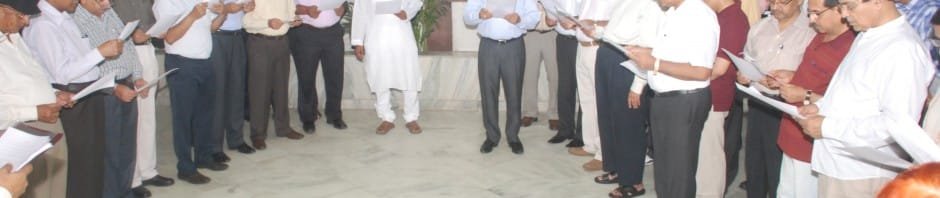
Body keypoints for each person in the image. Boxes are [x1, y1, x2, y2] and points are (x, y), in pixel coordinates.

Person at [796, 0, 935, 196]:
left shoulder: (902, 49)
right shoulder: (868, 33)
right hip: (839, 163)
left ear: (878, 2)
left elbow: (897, 125)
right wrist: (821, 106)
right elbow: (855, 91)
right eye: (841, 7)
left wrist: (827, 127)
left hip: (860, 172)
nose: (844, 14)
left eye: (850, 7)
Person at [23, 0, 123, 196]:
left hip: (89, 93)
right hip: (70, 98)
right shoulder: (42, 25)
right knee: (79, 164)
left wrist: (100, 56)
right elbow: (62, 73)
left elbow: (81, 59)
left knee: (93, 161)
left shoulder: (66, 19)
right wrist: (99, 53)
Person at [624, 0, 720, 195]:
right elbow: (673, 54)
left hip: (684, 101)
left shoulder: (700, 16)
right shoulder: (674, 12)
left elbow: (702, 71)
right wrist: (646, 53)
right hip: (664, 99)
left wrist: (654, 63)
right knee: (665, 168)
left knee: (679, 172)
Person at [772, 0, 853, 196]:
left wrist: (804, 94)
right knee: (786, 191)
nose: (812, 20)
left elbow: (844, 102)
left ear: (839, 10)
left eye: (817, 13)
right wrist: (792, 76)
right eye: (809, 13)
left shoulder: (851, 46)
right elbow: (813, 74)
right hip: (792, 128)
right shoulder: (821, 35)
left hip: (813, 138)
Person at [72, 0, 152, 196]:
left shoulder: (109, 13)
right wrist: (114, 87)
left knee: (126, 147)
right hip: (104, 91)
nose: (106, 3)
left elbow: (129, 46)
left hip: (127, 84)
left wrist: (137, 76)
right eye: (100, 0)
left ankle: (125, 191)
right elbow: (83, 63)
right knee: (109, 151)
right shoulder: (76, 20)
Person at [737, 0, 815, 196]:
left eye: (782, 2)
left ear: (799, 2)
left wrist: (791, 78)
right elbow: (747, 58)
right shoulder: (759, 28)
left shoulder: (811, 31)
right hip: (758, 101)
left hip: (787, 106)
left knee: (778, 166)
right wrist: (743, 74)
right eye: (772, 1)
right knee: (755, 161)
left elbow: (814, 75)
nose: (775, 6)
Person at [592, 0, 661, 196]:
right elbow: (616, 30)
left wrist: (638, 84)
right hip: (608, 52)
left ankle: (633, 181)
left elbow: (649, 48)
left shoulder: (652, 5)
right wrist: (597, 31)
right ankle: (616, 169)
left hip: (628, 60)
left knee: (628, 123)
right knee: (608, 118)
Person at [154, 0, 227, 184]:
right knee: (183, 118)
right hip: (181, 63)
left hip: (205, 61)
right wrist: (192, 16)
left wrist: (222, 13)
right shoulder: (166, 3)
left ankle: (204, 156)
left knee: (205, 114)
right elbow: (169, 37)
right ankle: (185, 167)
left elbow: (211, 27)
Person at [110, 0, 176, 196]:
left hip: (148, 49)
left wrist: (158, 31)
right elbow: (121, 30)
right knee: (135, 119)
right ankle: (132, 178)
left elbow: (151, 24)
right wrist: (143, 34)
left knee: (148, 117)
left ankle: (148, 170)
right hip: (128, 53)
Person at [464, 0, 539, 154]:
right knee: (488, 92)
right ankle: (491, 136)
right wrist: (478, 14)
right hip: (488, 46)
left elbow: (534, 17)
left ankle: (513, 136)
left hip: (513, 46)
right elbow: (467, 17)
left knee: (514, 92)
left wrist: (519, 19)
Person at [695, 0, 749, 197]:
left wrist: (686, 77)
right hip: (704, 92)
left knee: (710, 156)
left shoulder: (734, 19)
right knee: (702, 154)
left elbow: (719, 68)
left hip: (715, 95)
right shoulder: (719, 16)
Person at [351, 0, 424, 134]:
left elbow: (416, 2)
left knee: (409, 75)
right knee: (380, 77)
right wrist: (358, 42)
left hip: (402, 37)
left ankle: (411, 117)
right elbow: (360, 13)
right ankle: (386, 118)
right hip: (376, 38)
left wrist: (407, 13)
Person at [244, 0, 304, 150]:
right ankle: (257, 134)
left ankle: (283, 128)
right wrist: (267, 23)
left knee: (281, 87)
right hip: (260, 42)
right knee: (259, 90)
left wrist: (293, 21)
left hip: (282, 42)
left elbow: (290, 12)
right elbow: (246, 22)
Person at [208, 0, 256, 168]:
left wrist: (248, 6)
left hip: (237, 36)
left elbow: (246, 5)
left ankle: (236, 139)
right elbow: (209, 8)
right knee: (218, 94)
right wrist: (228, 8)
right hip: (217, 37)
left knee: (237, 91)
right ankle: (214, 146)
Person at [290, 0, 348, 134]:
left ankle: (334, 115)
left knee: (335, 76)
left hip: (333, 32)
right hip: (306, 33)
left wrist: (342, 8)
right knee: (306, 77)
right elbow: (287, 6)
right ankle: (308, 117)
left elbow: (344, 3)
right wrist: (306, 10)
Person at [545, 0, 586, 153]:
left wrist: (574, 21)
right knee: (564, 86)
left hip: (581, 42)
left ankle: (582, 135)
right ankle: (565, 129)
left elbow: (592, 15)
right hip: (562, 40)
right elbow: (551, 16)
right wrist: (551, 17)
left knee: (583, 89)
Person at [573, 0, 608, 171]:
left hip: (596, 48)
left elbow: (617, 20)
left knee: (599, 103)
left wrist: (593, 24)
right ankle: (590, 145)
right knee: (586, 100)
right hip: (582, 47)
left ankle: (603, 153)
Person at [520, 1, 558, 130]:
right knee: (529, 76)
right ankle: (530, 112)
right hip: (530, 34)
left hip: (552, 34)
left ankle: (554, 114)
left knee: (555, 76)